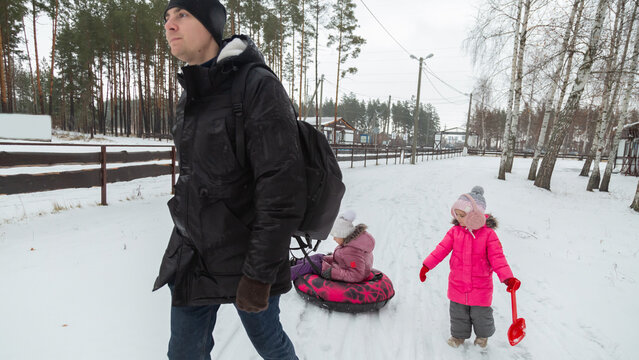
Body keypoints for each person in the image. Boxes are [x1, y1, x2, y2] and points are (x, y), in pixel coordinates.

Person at [152, 1, 305, 359]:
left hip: (247, 256)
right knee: (184, 353)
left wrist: (259, 273)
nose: (170, 25)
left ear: (210, 25)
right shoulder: (190, 93)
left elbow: (281, 187)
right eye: (167, 18)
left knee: (271, 344)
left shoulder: (256, 86)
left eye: (182, 15)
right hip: (193, 254)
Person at [418, 186, 520, 349]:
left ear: (475, 215)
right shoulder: (455, 232)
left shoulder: (488, 235)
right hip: (457, 283)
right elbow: (441, 249)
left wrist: (507, 278)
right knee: (458, 314)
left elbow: (498, 258)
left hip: (480, 286)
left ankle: (482, 337)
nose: (458, 218)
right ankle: (458, 337)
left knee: (481, 315)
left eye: (462, 215)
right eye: (456, 215)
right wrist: (426, 265)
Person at [290, 210, 375, 283]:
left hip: (341, 274)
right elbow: (343, 260)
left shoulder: (353, 252)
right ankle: (293, 263)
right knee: (319, 257)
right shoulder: (351, 243)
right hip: (342, 267)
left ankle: (284, 276)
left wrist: (331, 272)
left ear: (343, 235)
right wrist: (326, 259)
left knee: (312, 265)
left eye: (335, 236)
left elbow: (356, 275)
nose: (334, 239)